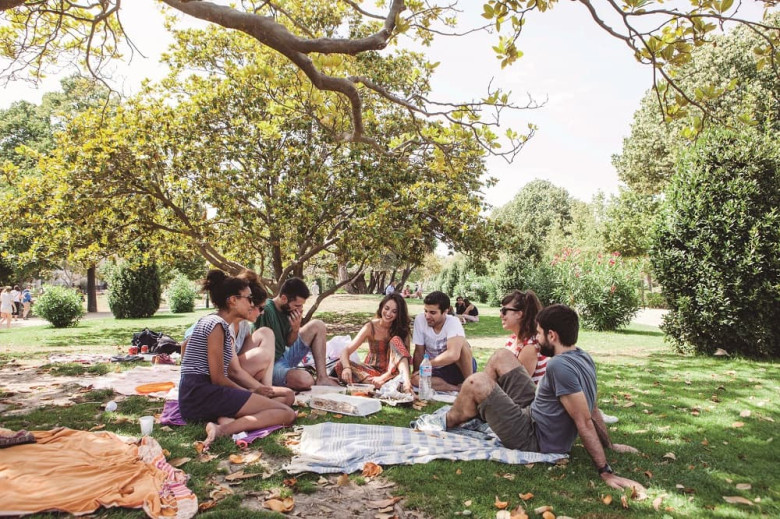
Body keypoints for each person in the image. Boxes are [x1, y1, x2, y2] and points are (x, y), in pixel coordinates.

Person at [412, 304, 645, 492]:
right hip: (532, 414)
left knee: (475, 382)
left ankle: (447, 421)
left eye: (540, 333)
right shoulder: (583, 357)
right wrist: (609, 444)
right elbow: (592, 406)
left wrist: (605, 470)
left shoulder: (558, 367)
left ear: (552, 335)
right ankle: (481, 412)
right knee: (502, 356)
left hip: (533, 438)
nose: (537, 338)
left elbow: (584, 419)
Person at [178, 269, 296, 450]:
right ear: (233, 300)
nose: (252, 304)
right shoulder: (215, 325)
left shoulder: (222, 325)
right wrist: (249, 392)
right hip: (200, 395)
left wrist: (251, 392)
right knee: (286, 413)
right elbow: (218, 378)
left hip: (202, 394)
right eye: (248, 299)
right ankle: (222, 430)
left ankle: (223, 424)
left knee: (285, 403)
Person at [255, 277, 339, 390]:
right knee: (306, 380)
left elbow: (289, 343)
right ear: (284, 298)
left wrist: (295, 329)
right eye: (297, 305)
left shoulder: (287, 310)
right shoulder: (267, 311)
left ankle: (322, 378)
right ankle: (290, 378)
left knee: (318, 325)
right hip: (271, 364)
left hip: (285, 354)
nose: (300, 309)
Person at [230, 276, 295, 406]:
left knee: (266, 332)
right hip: (228, 379)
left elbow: (246, 346)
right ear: (249, 305)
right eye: (260, 308)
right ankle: (263, 394)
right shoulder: (225, 325)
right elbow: (233, 370)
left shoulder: (242, 324)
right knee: (262, 354)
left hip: (240, 374)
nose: (263, 313)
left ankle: (266, 388)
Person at [336, 293, 413, 393]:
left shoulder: (402, 330)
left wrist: (385, 377)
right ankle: (381, 386)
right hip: (371, 373)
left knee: (396, 340)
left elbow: (404, 361)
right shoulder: (370, 327)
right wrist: (346, 368)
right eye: (386, 308)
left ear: (399, 314)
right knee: (340, 365)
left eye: (394, 311)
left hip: (393, 373)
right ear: (381, 307)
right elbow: (346, 351)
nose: (388, 313)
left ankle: (406, 386)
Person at [411, 291, 476, 392]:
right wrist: (417, 372)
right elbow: (419, 351)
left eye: (432, 312)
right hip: (436, 369)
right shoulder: (420, 320)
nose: (427, 316)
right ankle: (455, 388)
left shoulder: (453, 322)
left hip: (459, 367)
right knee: (415, 380)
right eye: (425, 311)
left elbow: (453, 355)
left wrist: (427, 364)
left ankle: (469, 383)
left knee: (462, 345)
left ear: (445, 311)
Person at [502, 290, 545, 384]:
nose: (501, 315)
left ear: (519, 314)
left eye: (504, 311)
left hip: (524, 397)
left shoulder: (530, 348)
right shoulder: (512, 339)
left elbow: (517, 385)